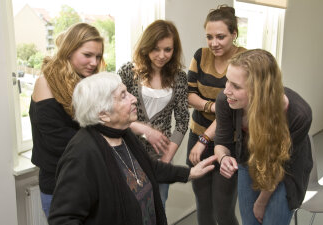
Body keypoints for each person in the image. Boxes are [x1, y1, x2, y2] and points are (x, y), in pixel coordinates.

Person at [48, 72, 217, 225]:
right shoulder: (82, 154)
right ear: (103, 114)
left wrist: (189, 173)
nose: (133, 98)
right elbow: (62, 219)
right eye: (123, 96)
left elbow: (150, 168)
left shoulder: (124, 134)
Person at [214, 49, 313, 225]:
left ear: (260, 90)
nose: (226, 90)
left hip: (284, 171)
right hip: (248, 161)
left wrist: (261, 202)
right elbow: (221, 141)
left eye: (236, 86)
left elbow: (279, 165)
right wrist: (223, 157)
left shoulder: (298, 114)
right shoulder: (225, 101)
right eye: (227, 80)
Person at [29, 23, 104, 217]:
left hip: (87, 181)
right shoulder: (46, 82)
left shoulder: (82, 81)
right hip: (60, 185)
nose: (94, 63)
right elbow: (60, 141)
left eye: (98, 56)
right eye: (87, 55)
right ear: (69, 50)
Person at [118, 20, 189, 207]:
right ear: (146, 46)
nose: (162, 55)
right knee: (130, 208)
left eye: (168, 49)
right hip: (129, 154)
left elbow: (182, 121)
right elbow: (115, 114)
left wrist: (166, 159)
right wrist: (145, 131)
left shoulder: (180, 78)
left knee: (158, 206)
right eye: (156, 49)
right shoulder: (128, 72)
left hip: (162, 157)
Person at [186, 5, 245, 225]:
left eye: (221, 37)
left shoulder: (244, 59)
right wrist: (212, 106)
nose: (214, 43)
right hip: (198, 135)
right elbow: (189, 95)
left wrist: (204, 140)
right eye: (209, 37)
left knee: (223, 209)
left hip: (227, 141)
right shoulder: (200, 55)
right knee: (203, 204)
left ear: (234, 34)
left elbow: (233, 110)